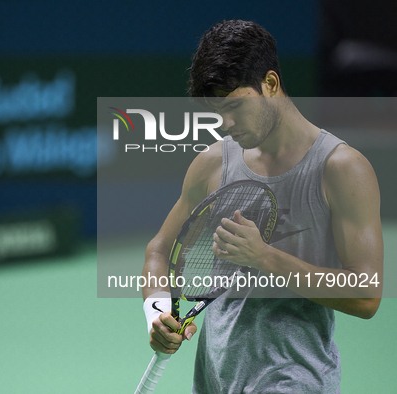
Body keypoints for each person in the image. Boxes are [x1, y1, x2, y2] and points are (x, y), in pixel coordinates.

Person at [141, 20, 383, 393]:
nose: (226, 122)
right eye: (216, 109)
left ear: (270, 84)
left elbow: (366, 294)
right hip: (215, 378)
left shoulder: (342, 169)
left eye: (235, 105)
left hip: (292, 379)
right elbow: (159, 249)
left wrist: (265, 257)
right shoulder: (213, 162)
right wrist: (157, 315)